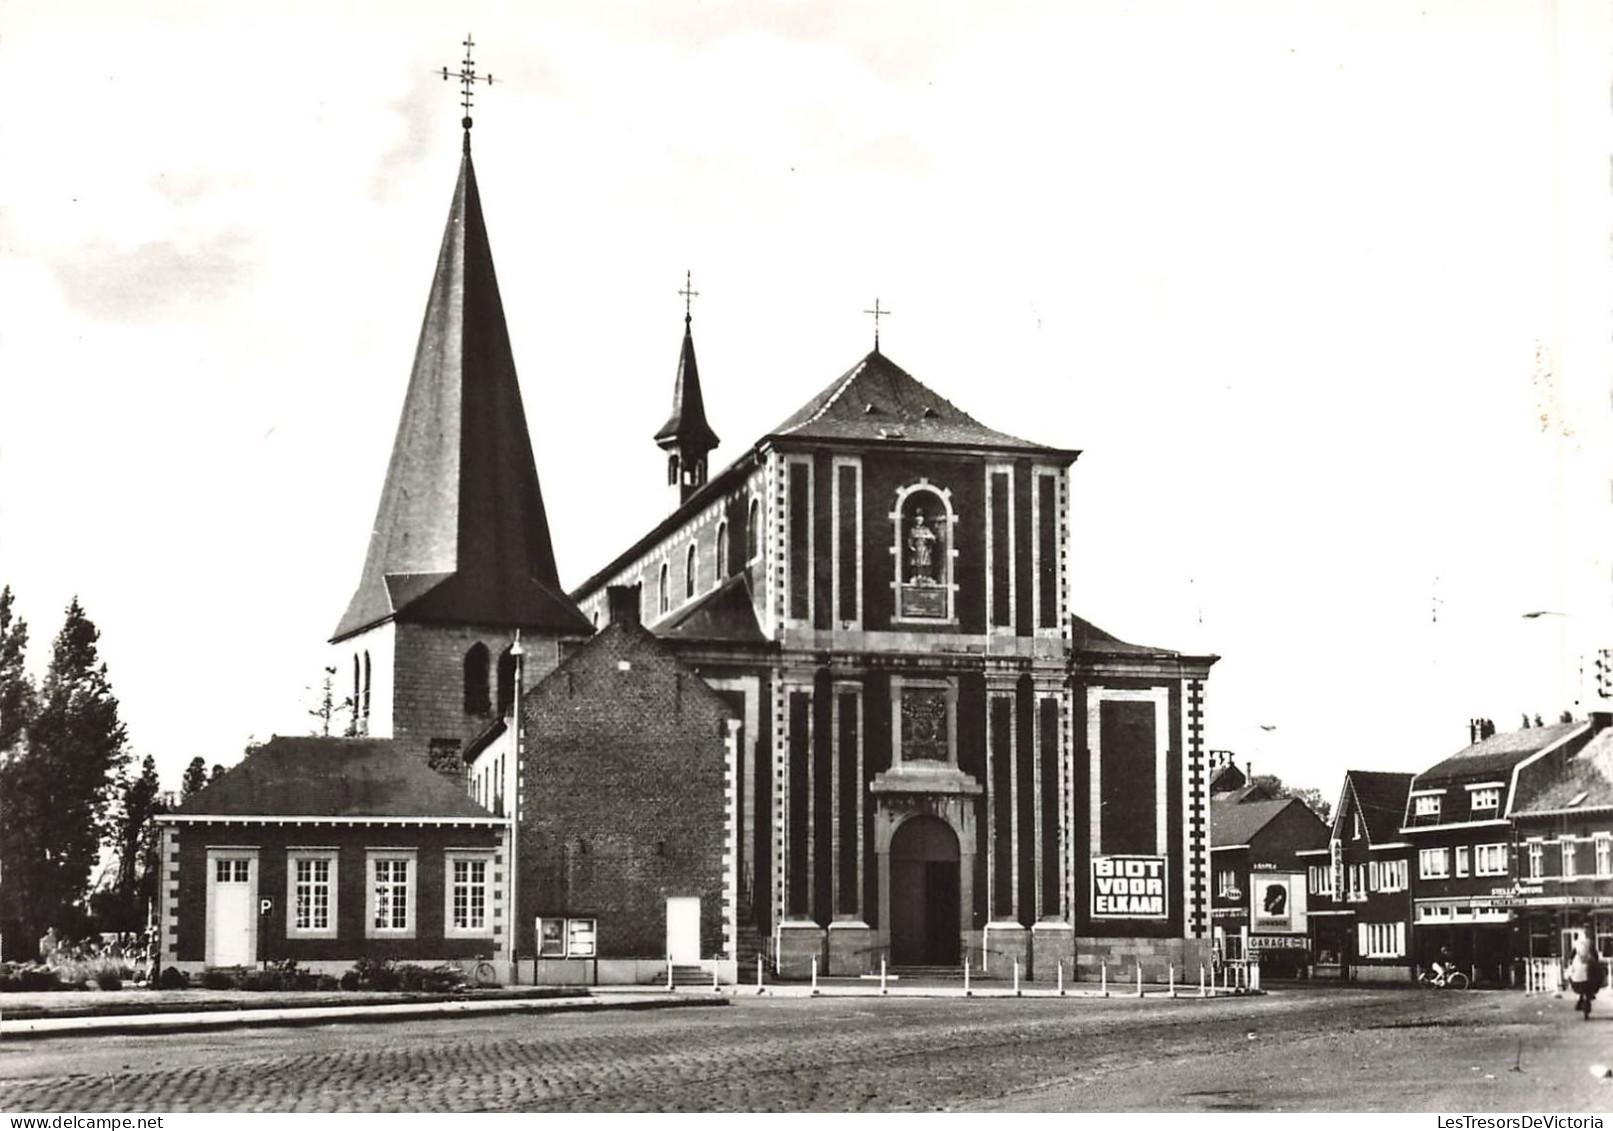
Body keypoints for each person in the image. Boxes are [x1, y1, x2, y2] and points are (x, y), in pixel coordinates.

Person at [1569, 927, 1604, 1020]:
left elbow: (1571, 956)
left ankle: (1580, 997)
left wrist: (1571, 964)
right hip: (1588, 971)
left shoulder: (1576, 944)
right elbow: (1595, 956)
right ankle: (1589, 997)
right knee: (1595, 977)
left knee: (1572, 976)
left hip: (1577, 974)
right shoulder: (1590, 943)